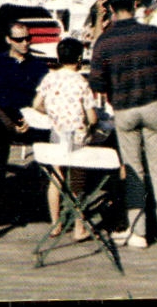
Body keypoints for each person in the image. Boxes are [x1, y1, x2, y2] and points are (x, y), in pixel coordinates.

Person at [88, 0, 157, 251]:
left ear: (111, 9)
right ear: (134, 4)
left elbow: (96, 81)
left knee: (134, 172)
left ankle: (139, 232)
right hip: (155, 105)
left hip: (125, 109)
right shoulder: (152, 32)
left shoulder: (105, 41)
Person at [0, 22, 51, 216]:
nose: (25, 43)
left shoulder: (38, 64)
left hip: (29, 113)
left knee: (49, 136)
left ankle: (46, 192)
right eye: (19, 39)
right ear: (9, 40)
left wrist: (35, 117)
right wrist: (6, 120)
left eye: (28, 38)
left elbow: (42, 99)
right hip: (2, 112)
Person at [31, 39, 98, 240]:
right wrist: (92, 125)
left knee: (56, 178)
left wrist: (51, 113)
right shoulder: (81, 82)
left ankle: (55, 224)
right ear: (79, 58)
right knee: (77, 179)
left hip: (57, 132)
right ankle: (79, 227)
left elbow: (36, 104)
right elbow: (92, 117)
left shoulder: (50, 79)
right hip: (77, 135)